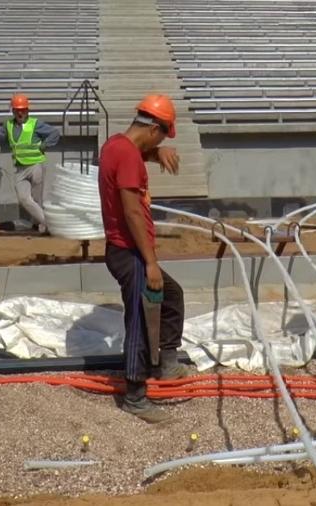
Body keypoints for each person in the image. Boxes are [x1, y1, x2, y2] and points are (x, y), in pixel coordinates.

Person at [98, 94, 190, 424]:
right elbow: (133, 212)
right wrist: (150, 263)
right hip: (129, 252)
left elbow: (136, 153)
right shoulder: (128, 157)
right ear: (154, 129)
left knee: (172, 294)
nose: (163, 142)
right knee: (138, 318)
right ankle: (135, 397)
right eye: (163, 137)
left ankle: (166, 363)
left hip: (125, 249)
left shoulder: (117, 146)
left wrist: (156, 153)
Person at [0, 93, 60, 234]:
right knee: (24, 198)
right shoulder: (9, 126)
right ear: (13, 111)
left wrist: (44, 145)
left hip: (36, 165)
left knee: (37, 200)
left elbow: (54, 133)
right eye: (17, 110)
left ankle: (39, 227)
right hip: (20, 169)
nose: (20, 112)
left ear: (27, 110)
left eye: (23, 109)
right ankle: (50, 225)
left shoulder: (35, 124)